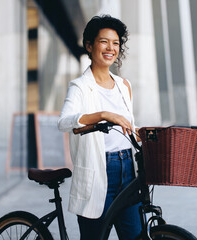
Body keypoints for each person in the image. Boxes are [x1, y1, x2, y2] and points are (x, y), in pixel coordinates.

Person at [58, 15, 141, 239]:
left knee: (135, 235)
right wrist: (103, 115)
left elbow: (128, 125)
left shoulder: (124, 85)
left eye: (115, 43)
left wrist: (142, 133)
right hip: (99, 170)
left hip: (128, 170)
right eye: (103, 41)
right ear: (89, 45)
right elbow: (64, 122)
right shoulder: (80, 87)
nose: (110, 48)